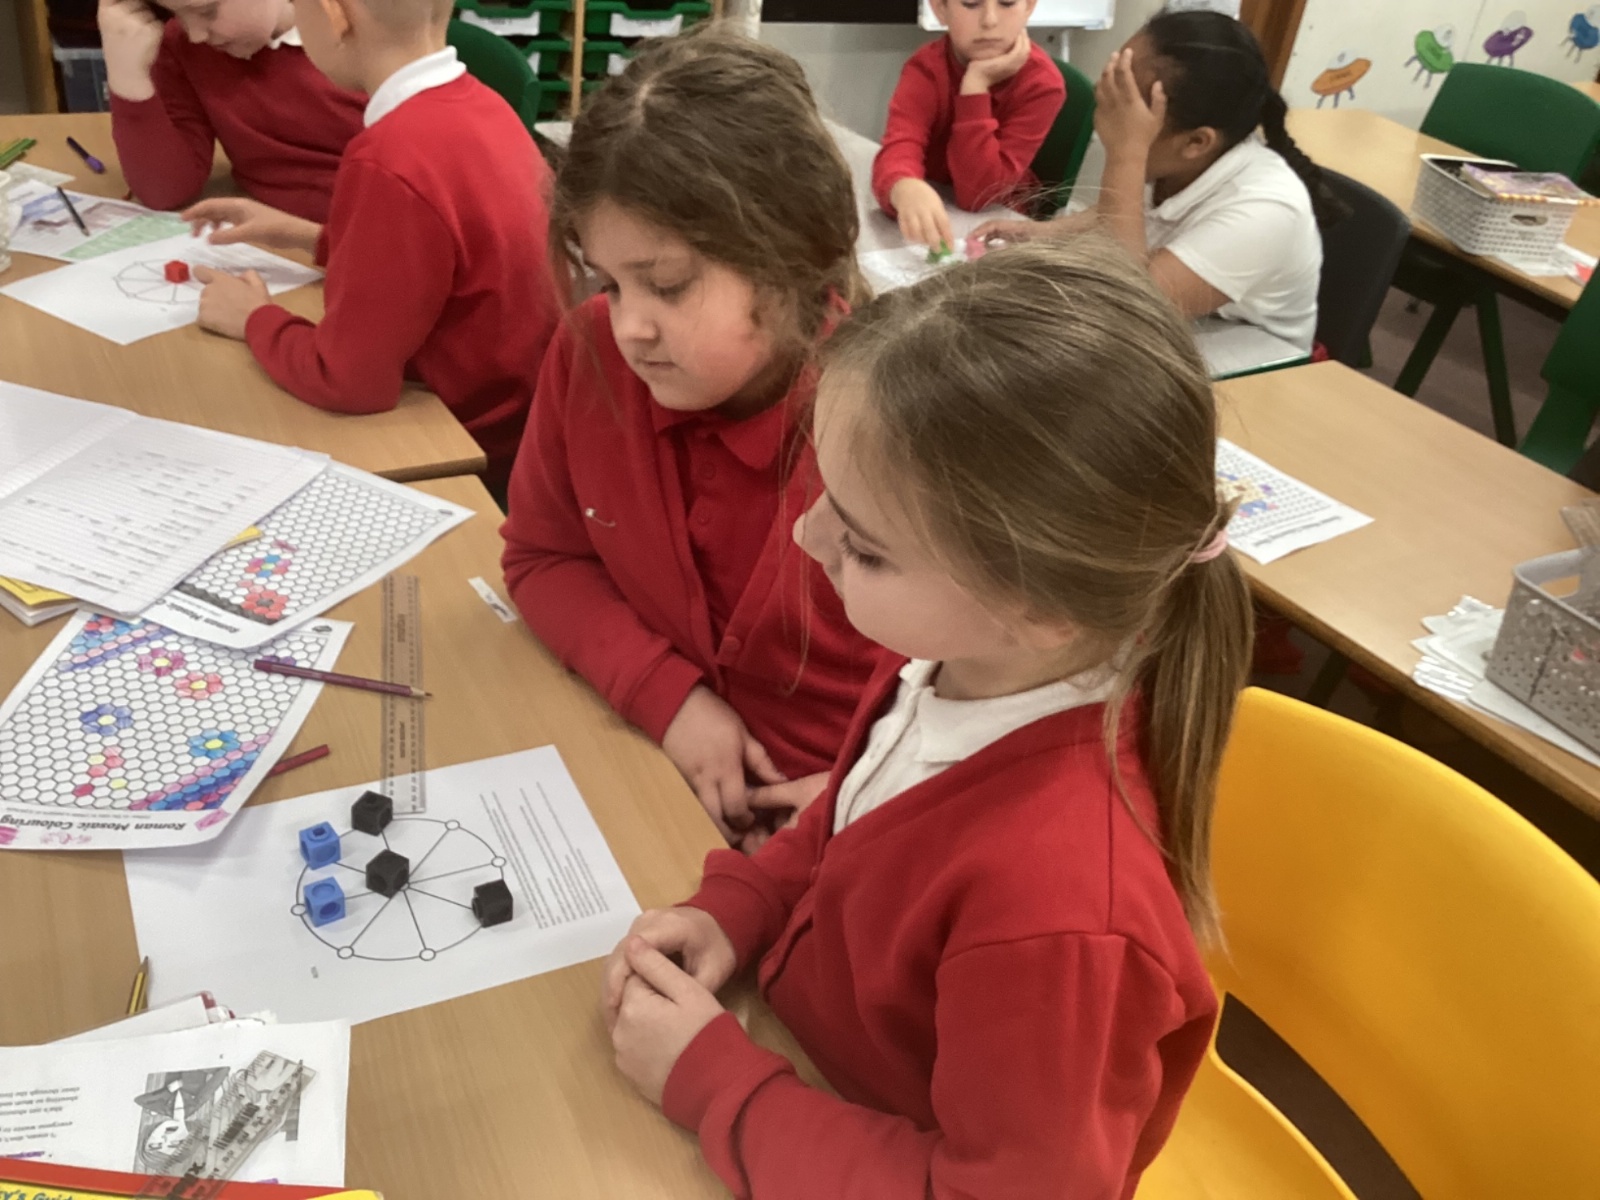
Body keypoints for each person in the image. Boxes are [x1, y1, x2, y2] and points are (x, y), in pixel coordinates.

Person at [600, 237, 1254, 1197]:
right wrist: (745, 908)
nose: (807, 535)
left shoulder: (1063, 914)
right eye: (826, 496)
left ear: (1039, 605)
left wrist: (716, 1085)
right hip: (818, 1080)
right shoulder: (956, 660)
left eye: (865, 548)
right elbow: (851, 820)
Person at [500, 29, 887, 847]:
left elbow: (1000, 702)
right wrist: (668, 697)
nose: (629, 326)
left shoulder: (897, 424)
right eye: (611, 283)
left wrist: (870, 796)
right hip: (647, 779)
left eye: (668, 285)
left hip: (847, 828)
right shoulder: (590, 352)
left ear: (790, 262)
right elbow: (542, 555)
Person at [181, 0, 557, 495]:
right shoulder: (485, 106)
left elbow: (348, 381)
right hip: (526, 426)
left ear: (333, 17)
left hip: (466, 450)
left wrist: (253, 318)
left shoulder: (389, 157)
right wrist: (308, 236)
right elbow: (445, 254)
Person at [977, 9, 1339, 351]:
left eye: (1128, 106)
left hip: (1259, 362)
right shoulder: (1177, 161)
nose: (1107, 116)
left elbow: (1129, 307)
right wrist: (1041, 233)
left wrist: (1126, 152)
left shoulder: (1266, 210)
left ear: (1197, 142)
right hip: (1180, 321)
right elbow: (1126, 212)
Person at [99, 0, 364, 220]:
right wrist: (127, 75)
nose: (196, 35)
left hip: (362, 234)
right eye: (176, 14)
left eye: (207, 11)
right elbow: (164, 191)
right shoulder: (183, 45)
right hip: (273, 238)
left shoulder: (370, 33)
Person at [872, 0, 1065, 250]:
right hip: (938, 203)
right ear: (940, 9)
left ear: (1028, 7)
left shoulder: (1042, 85)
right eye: (971, 3)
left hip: (997, 220)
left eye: (1007, 3)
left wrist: (975, 86)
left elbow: (978, 195)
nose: (990, 20)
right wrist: (904, 186)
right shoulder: (926, 68)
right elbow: (900, 146)